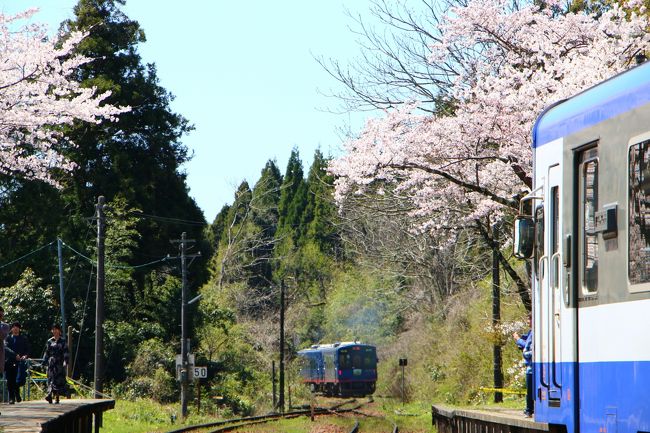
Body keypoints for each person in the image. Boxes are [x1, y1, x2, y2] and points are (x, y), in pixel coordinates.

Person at [5, 322, 30, 404]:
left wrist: (25, 356)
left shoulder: (23, 339)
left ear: (19, 329)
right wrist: (14, 355)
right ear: (11, 329)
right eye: (14, 327)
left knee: (18, 380)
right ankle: (12, 397)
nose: (15, 328)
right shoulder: (8, 338)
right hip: (9, 361)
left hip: (20, 363)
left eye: (17, 327)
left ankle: (17, 393)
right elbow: (5, 349)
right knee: (9, 380)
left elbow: (27, 350)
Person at [513, 318, 534, 418]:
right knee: (529, 390)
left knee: (530, 390)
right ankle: (529, 409)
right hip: (530, 366)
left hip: (532, 366)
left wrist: (518, 340)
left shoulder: (535, 332)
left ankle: (529, 410)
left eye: (529, 319)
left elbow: (527, 346)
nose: (528, 322)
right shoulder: (531, 332)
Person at [43, 323, 68, 404]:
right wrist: (44, 362)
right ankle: (49, 395)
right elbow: (47, 352)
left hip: (60, 363)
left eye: (56, 329)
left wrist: (65, 361)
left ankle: (57, 397)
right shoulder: (49, 341)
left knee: (58, 380)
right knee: (51, 379)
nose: (55, 331)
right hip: (52, 363)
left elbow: (66, 352)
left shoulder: (63, 341)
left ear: (59, 331)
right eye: (53, 329)